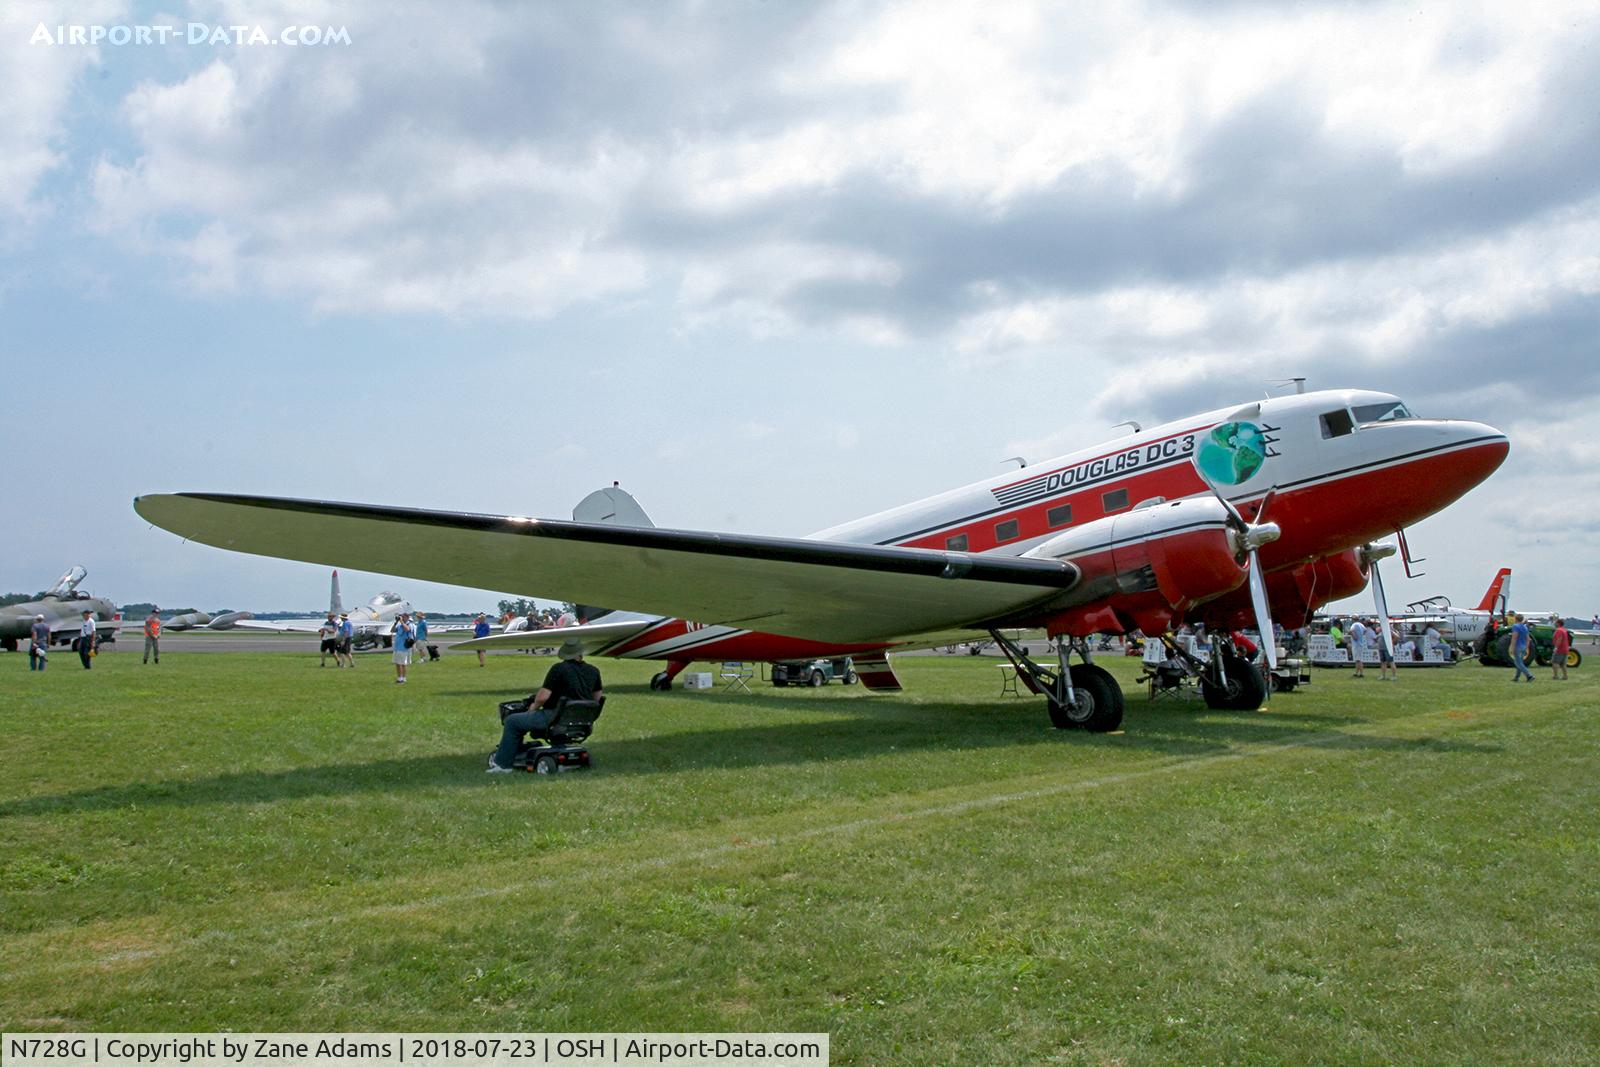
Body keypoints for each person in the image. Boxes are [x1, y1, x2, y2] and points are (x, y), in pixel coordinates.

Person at [489, 638, 604, 773]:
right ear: (580, 653)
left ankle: (503, 765)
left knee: (513, 721)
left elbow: (543, 697)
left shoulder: (559, 669)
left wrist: (532, 708)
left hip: (555, 718)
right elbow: (597, 698)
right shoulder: (594, 671)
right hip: (582, 721)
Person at [1507, 612, 1535, 682]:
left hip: (1518, 646)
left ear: (1515, 619)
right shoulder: (1525, 627)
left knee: (1518, 663)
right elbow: (1528, 638)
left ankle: (1529, 675)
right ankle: (1516, 677)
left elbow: (1514, 637)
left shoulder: (1515, 626)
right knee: (1520, 662)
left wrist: (1512, 647)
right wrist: (1526, 647)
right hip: (1524, 646)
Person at [392, 613, 415, 684]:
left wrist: (402, 622)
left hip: (404, 648)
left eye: (403, 617)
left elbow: (407, 629)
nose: (402, 618)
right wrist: (396, 622)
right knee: (397, 663)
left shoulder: (409, 624)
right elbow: (392, 630)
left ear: (407, 617)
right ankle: (399, 678)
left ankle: (404, 678)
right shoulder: (399, 626)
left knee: (403, 664)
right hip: (397, 647)